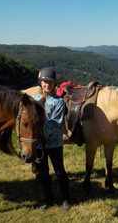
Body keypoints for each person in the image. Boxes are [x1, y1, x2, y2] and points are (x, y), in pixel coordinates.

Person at [32, 68, 71, 211]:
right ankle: (48, 200)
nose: (47, 84)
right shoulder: (34, 100)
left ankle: (66, 199)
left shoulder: (59, 102)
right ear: (40, 83)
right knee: (43, 174)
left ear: (54, 83)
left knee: (60, 171)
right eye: (44, 82)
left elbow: (56, 124)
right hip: (39, 145)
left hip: (54, 143)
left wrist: (38, 124)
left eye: (50, 82)